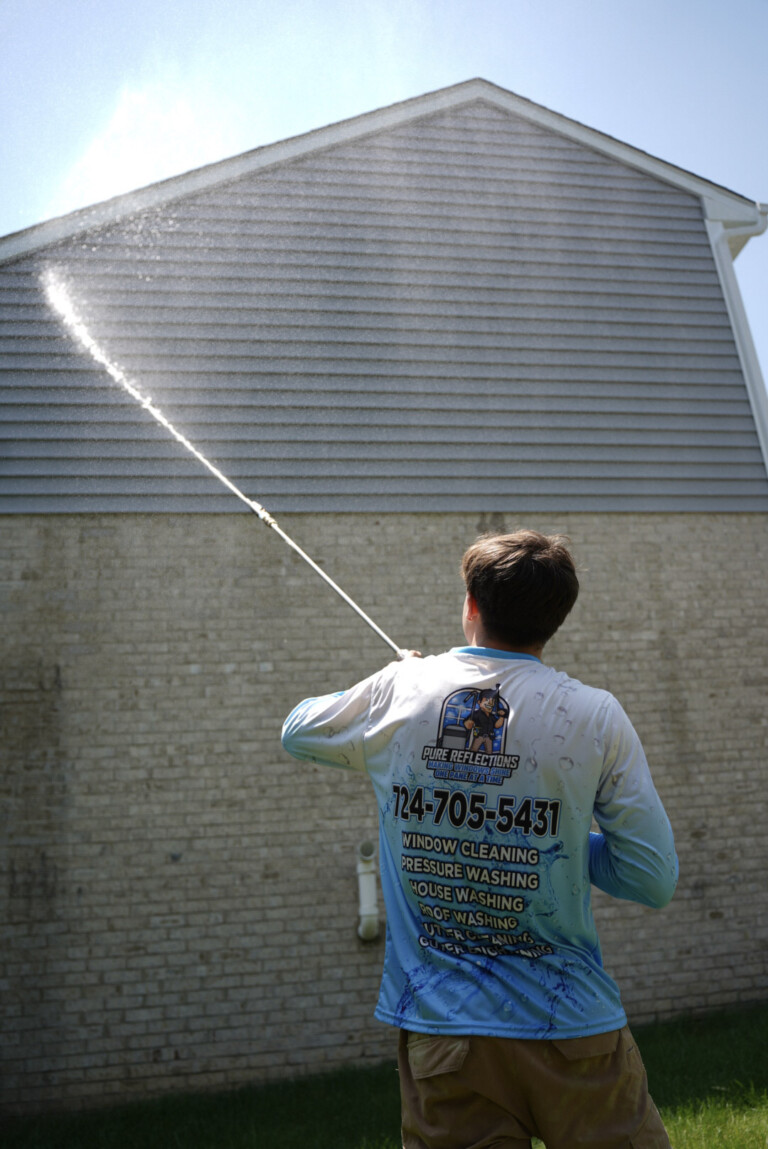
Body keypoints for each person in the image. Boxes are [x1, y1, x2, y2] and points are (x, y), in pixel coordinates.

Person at [282, 530, 678, 1148]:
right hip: (574, 1028)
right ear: (556, 619)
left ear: (471, 605)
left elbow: (297, 729)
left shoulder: (399, 691)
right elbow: (651, 878)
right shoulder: (596, 715)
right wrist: (558, 845)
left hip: (446, 1039)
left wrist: (396, 679)